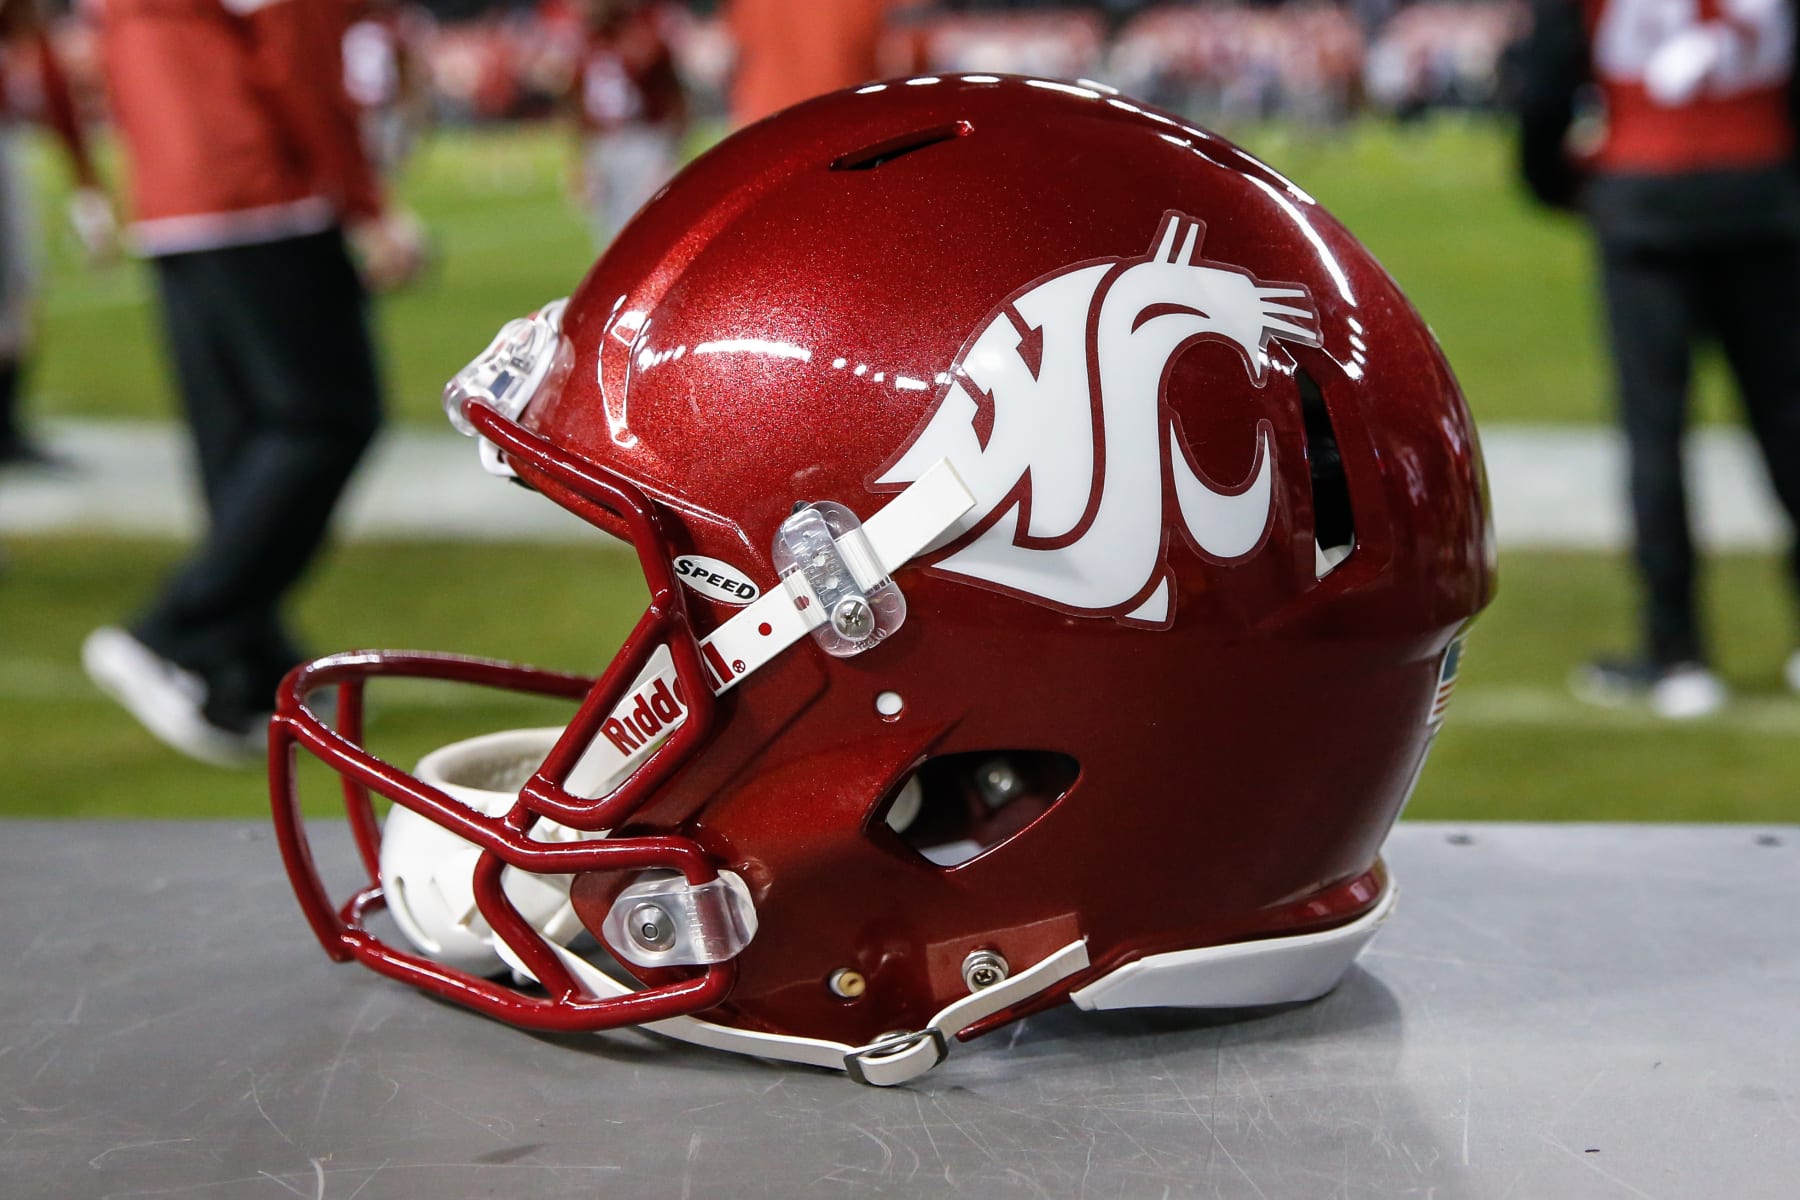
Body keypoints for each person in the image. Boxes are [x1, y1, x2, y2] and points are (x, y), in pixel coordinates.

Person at [81, 0, 424, 766]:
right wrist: (364, 201)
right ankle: (176, 631)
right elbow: (294, 59)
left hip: (174, 194)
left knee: (237, 441)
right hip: (258, 185)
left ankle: (247, 664)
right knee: (327, 417)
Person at [1517, 0, 1800, 717]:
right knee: (1789, 422)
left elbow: (1546, 87)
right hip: (1763, 197)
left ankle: (1677, 655)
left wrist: (1563, 182)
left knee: (1655, 437)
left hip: (1644, 197)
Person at [0, 0, 116, 469]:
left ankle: (5, 426)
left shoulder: (29, 40)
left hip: (6, 160)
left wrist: (89, 194)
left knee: (17, 296)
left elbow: (62, 109)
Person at [565, 0, 686, 248]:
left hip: (643, 141)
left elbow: (675, 99)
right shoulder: (586, 46)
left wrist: (668, 153)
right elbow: (577, 105)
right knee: (608, 236)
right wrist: (581, 159)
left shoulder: (646, 40)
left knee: (649, 231)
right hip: (603, 143)